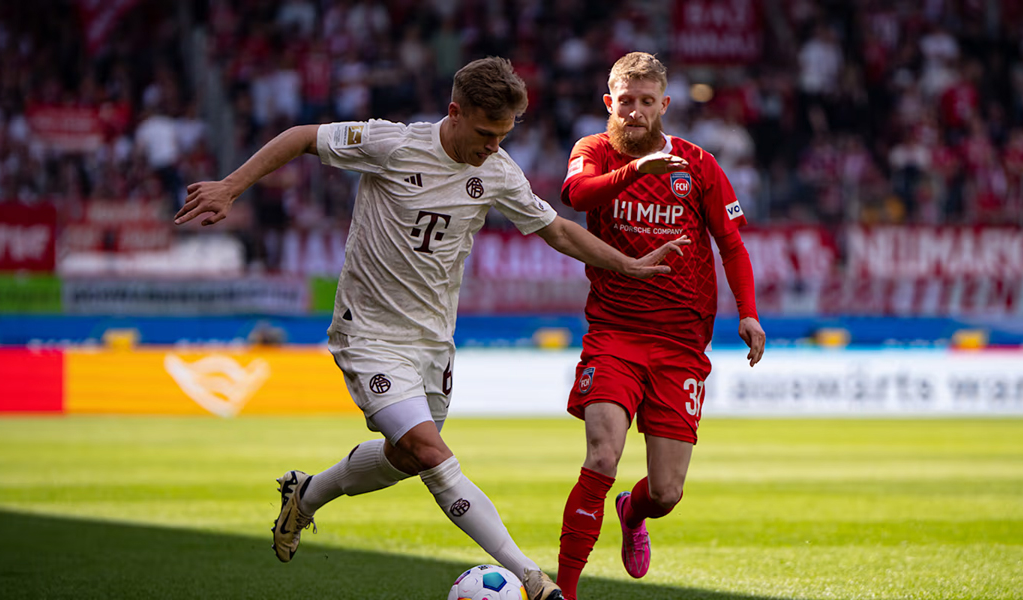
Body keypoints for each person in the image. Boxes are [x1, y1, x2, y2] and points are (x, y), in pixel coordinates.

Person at [174, 57, 689, 600]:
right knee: (431, 454)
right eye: (486, 134)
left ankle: (305, 495)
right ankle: (536, 582)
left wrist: (627, 265)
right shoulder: (392, 145)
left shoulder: (497, 170)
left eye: (504, 136)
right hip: (368, 335)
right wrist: (231, 187)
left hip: (433, 342)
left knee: (404, 458)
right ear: (455, 112)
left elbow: (557, 230)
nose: (493, 147)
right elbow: (303, 136)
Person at [552, 52, 766, 600]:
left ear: (665, 105)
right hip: (614, 333)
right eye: (626, 102)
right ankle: (566, 591)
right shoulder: (594, 153)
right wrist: (635, 172)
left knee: (666, 492)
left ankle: (633, 510)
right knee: (602, 455)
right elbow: (575, 197)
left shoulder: (698, 164)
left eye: (648, 102)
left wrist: (748, 311)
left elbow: (731, 243)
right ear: (610, 103)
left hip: (680, 343)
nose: (636, 112)